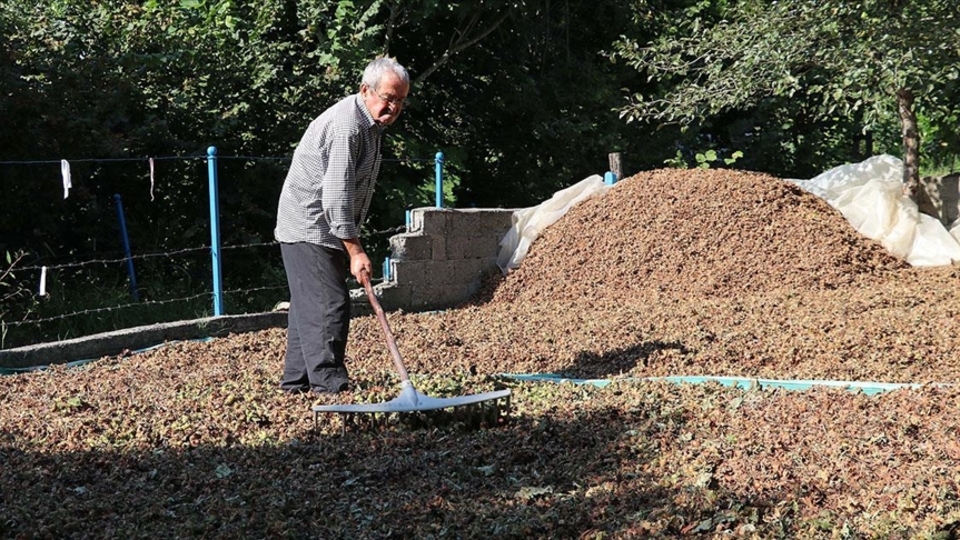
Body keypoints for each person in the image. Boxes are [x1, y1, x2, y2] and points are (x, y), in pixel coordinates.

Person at [274, 57, 410, 394]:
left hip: (320, 225)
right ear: (366, 90)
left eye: (400, 100)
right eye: (388, 98)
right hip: (309, 224)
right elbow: (336, 198)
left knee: (309, 304)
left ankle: (296, 383)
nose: (393, 107)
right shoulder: (348, 127)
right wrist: (355, 251)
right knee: (329, 303)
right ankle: (330, 386)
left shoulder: (369, 124)